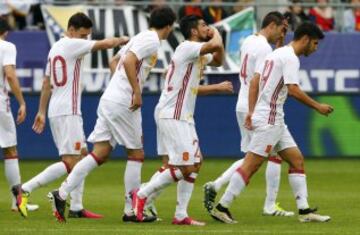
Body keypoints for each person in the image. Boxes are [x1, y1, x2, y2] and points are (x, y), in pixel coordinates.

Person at [48, 6, 176, 223]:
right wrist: (134, 90)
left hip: (110, 98)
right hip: (123, 102)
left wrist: (119, 85)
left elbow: (114, 61)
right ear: (170, 26)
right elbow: (126, 62)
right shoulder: (152, 40)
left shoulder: (139, 37)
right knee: (136, 155)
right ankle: (131, 210)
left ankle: (61, 193)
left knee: (101, 152)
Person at [210, 22, 333, 224]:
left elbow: (255, 81)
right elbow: (293, 89)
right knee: (252, 165)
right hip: (270, 119)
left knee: (296, 160)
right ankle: (222, 207)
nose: (316, 48)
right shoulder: (290, 58)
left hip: (272, 117)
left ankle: (305, 211)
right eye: (315, 43)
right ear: (305, 39)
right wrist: (317, 106)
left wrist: (252, 110)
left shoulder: (277, 53)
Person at [11, 12, 129, 219]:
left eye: (87, 36)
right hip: (68, 111)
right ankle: (25, 189)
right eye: (83, 35)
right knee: (71, 162)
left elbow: (47, 82)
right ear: (71, 30)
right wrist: (125, 40)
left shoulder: (56, 47)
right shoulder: (71, 44)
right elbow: (105, 44)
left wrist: (41, 111)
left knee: (82, 155)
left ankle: (76, 207)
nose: (84, 40)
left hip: (60, 109)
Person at [132, 15, 225, 225]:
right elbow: (216, 44)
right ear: (193, 31)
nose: (206, 28)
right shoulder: (186, 47)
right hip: (172, 113)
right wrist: (215, 32)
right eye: (203, 25)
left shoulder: (196, 53)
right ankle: (142, 194)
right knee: (184, 168)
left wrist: (214, 41)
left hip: (183, 115)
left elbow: (219, 59)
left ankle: (181, 214)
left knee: (195, 163)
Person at [204, 11, 294, 218]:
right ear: (272, 25)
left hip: (243, 102)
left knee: (255, 156)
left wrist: (280, 43)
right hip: (256, 106)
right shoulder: (264, 48)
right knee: (261, 157)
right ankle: (268, 205)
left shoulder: (249, 41)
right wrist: (255, 110)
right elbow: (259, 79)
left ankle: (218, 186)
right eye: (280, 29)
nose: (281, 34)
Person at [0, 16, 39, 214]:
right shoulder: (6, 47)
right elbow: (10, 75)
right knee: (10, 150)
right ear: (5, 32)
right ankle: (17, 202)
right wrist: (22, 102)